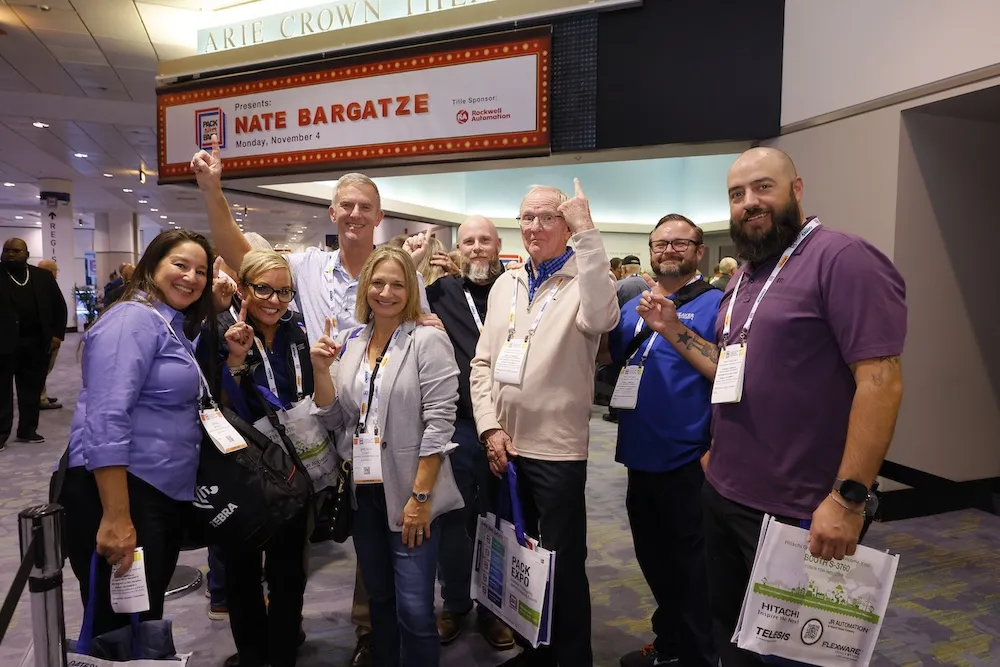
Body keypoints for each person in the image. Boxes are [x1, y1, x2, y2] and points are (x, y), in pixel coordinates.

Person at [640, 148, 906, 666]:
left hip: (802, 508)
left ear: (797, 189)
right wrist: (673, 329)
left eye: (764, 188)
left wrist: (849, 498)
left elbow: (881, 381)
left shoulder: (844, 258)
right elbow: (731, 368)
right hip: (724, 493)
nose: (749, 202)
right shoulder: (745, 275)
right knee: (734, 642)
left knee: (795, 656)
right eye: (737, 194)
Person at [191, 137, 437, 666]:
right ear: (332, 211)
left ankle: (369, 629)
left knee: (377, 529)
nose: (353, 213)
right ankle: (284, 633)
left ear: (379, 217)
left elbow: (415, 330)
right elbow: (237, 247)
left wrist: (425, 317)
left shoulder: (392, 275)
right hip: (311, 421)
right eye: (345, 205)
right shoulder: (304, 268)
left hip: (376, 427)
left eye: (364, 207)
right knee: (291, 532)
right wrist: (212, 189)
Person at [470, 179, 620, 667]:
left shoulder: (585, 278)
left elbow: (603, 319)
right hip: (504, 446)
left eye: (548, 217)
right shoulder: (504, 283)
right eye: (527, 217)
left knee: (561, 565)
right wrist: (490, 428)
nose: (535, 227)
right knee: (519, 560)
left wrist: (588, 232)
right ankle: (536, 650)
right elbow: (483, 364)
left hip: (556, 451)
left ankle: (571, 658)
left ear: (566, 223)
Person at [55, 229, 217, 637]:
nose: (191, 277)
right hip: (121, 491)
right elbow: (107, 418)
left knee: (139, 619)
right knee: (119, 627)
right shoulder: (131, 320)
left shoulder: (168, 322)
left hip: (154, 492)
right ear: (152, 265)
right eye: (180, 265)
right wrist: (116, 516)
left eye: (201, 270)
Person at [311, 246, 464, 667]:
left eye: (398, 284)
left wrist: (419, 499)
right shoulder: (354, 342)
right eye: (378, 283)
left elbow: (440, 426)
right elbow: (333, 416)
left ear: (411, 290)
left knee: (415, 608)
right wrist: (322, 370)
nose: (386, 292)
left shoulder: (428, 340)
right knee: (379, 598)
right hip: (364, 493)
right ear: (365, 288)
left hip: (410, 489)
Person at [606, 214, 720, 667]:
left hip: (690, 459)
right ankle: (670, 643)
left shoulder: (717, 302)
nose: (669, 249)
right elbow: (607, 357)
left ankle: (699, 656)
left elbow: (728, 368)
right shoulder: (638, 303)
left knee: (696, 573)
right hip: (639, 457)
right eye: (660, 243)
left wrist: (673, 326)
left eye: (680, 243)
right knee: (655, 562)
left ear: (699, 251)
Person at [200, 250, 314, 667]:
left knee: (289, 570)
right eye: (263, 288)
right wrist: (233, 360)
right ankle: (252, 653)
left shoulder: (296, 329)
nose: (274, 300)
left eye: (284, 290)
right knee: (242, 568)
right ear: (244, 288)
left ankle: (282, 649)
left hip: (290, 465)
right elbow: (209, 400)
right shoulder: (219, 329)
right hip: (240, 468)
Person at [424, 216, 513, 649]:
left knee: (501, 520)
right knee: (455, 521)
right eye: (469, 241)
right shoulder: (440, 293)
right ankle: (456, 604)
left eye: (484, 240)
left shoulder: (515, 291)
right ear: (460, 248)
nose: (477, 248)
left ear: (499, 245)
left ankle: (496, 609)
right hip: (457, 426)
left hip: (508, 424)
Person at [0, 238, 67, 448]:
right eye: (7, 250)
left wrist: (57, 335)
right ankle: (1, 434)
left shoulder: (42, 277)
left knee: (31, 389)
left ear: (26, 254)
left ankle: (28, 430)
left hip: (36, 343)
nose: (11, 254)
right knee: (1, 392)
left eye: (16, 251)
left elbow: (59, 307)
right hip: (3, 344)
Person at [36, 259, 67, 410]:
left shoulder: (43, 286)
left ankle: (42, 394)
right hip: (45, 338)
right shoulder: (43, 287)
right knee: (41, 368)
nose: (57, 274)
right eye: (55, 270)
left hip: (49, 336)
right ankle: (40, 399)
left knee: (45, 368)